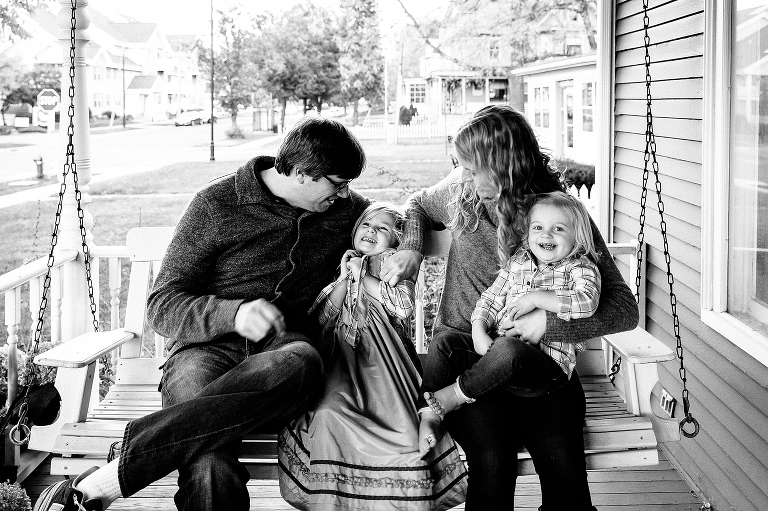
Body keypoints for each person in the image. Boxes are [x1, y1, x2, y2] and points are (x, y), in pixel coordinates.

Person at [33, 117, 371, 511]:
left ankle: (120, 467)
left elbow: (408, 213)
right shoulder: (216, 204)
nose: (346, 195)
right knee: (208, 459)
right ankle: (108, 482)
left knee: (303, 361)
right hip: (202, 351)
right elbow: (162, 305)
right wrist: (234, 314)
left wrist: (411, 246)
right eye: (337, 182)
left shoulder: (343, 210)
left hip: (282, 353)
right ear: (300, 172)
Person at [379, 105, 638, 510]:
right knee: (494, 462)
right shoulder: (461, 194)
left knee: (567, 482)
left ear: (504, 164)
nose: (463, 176)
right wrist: (412, 245)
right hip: (467, 358)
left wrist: (548, 324)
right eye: (460, 167)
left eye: (471, 168)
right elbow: (416, 203)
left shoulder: (557, 215)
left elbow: (624, 308)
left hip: (539, 363)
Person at [278, 203, 467, 511]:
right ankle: (336, 500)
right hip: (341, 358)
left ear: (396, 240)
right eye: (366, 225)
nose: (371, 231)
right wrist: (345, 278)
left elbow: (402, 306)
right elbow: (322, 315)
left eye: (382, 228)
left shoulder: (393, 262)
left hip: (384, 362)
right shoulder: (345, 260)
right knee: (327, 413)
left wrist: (363, 277)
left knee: (403, 431)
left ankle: (398, 495)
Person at [421, 191, 601, 420]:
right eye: (538, 227)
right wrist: (478, 330)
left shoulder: (579, 268)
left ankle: (458, 393)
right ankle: (428, 415)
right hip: (500, 358)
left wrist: (536, 298)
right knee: (444, 343)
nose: (546, 234)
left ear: (578, 236)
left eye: (558, 229)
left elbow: (587, 302)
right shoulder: (519, 262)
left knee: (508, 349)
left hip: (546, 369)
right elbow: (490, 298)